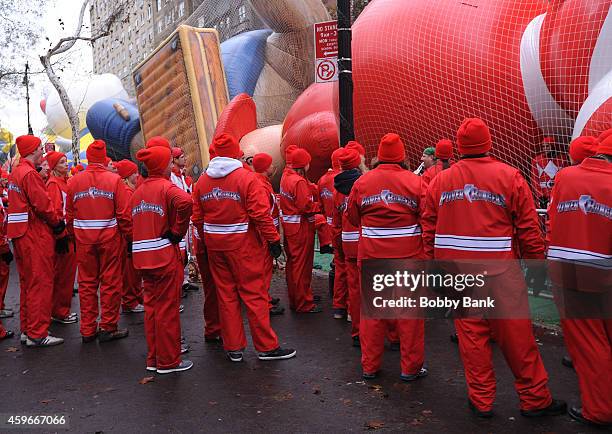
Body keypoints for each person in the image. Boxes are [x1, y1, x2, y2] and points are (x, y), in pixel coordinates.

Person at [422, 118, 566, 418]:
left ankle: (481, 400)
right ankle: (535, 399)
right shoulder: (509, 176)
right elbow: (528, 230)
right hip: (500, 276)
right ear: (488, 143)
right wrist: (536, 267)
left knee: (472, 339)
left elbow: (428, 229)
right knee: (518, 340)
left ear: (460, 148)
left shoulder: (439, 182)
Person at [192, 133, 296, 362]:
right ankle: (266, 347)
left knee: (226, 295)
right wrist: (273, 241)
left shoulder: (202, 181)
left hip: (215, 247)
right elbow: (260, 214)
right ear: (235, 154)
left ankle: (234, 347)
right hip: (243, 246)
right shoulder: (246, 179)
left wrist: (208, 238)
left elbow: (197, 217)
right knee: (254, 294)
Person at [347, 133, 427, 381]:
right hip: (408, 259)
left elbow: (352, 216)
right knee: (409, 315)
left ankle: (370, 366)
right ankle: (410, 368)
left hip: (372, 257)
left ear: (379, 156)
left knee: (373, 314)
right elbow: (427, 216)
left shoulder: (363, 182)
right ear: (402, 156)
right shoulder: (415, 182)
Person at [547, 132, 612, 427]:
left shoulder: (566, 176)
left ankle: (599, 410)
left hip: (569, 271)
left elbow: (551, 219)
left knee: (589, 344)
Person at [131, 144, 194, 374]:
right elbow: (187, 203)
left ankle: (154, 358)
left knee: (152, 308)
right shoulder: (166, 187)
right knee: (167, 309)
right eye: (169, 162)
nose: (171, 165)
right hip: (164, 256)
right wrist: (177, 231)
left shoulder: (138, 191)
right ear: (162, 165)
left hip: (142, 259)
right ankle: (169, 362)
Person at [66, 140, 132, 343]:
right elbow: (124, 215)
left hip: (83, 240)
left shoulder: (74, 181)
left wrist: (73, 235)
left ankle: (87, 329)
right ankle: (108, 326)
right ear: (104, 158)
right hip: (109, 240)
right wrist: (130, 238)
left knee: (86, 284)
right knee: (110, 283)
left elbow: (68, 215)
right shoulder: (114, 180)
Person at [8, 135, 65, 347]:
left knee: (28, 284)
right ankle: (38, 333)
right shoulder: (30, 174)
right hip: (34, 233)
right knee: (40, 282)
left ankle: (28, 329)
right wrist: (57, 225)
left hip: (20, 234)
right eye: (40, 148)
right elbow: (43, 205)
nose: (43, 152)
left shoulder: (17, 172)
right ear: (33, 150)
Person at [280, 146, 322, 313]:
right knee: (301, 266)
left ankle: (297, 297)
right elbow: (306, 206)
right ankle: (303, 302)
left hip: (291, 227)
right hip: (301, 227)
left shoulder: (286, 177)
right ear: (304, 164)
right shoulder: (298, 181)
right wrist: (320, 206)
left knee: (293, 265)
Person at [333, 148, 363, 344]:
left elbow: (335, 218)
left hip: (346, 239)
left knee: (353, 285)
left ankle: (355, 326)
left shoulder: (336, 189)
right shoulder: (362, 184)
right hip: (362, 239)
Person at [46, 151, 78, 324]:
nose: (66, 165)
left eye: (66, 162)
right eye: (61, 162)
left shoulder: (63, 182)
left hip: (68, 234)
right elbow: (56, 211)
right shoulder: (53, 184)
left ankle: (61, 310)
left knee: (66, 275)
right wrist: (61, 235)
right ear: (54, 167)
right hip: (64, 235)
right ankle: (60, 312)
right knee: (63, 276)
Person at [252, 152, 285, 316]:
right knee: (263, 272)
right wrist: (273, 239)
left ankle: (265, 298)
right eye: (271, 164)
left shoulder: (262, 182)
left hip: (265, 234)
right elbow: (263, 215)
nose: (273, 167)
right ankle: (264, 305)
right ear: (265, 168)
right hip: (264, 236)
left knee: (265, 271)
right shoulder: (260, 186)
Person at [114, 160, 144, 314]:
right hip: (128, 238)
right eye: (134, 173)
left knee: (135, 271)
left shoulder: (131, 190)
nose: (137, 175)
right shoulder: (126, 192)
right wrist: (131, 237)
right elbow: (126, 217)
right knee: (130, 272)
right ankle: (130, 301)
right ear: (126, 176)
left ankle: (136, 297)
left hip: (132, 235)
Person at [323, 149, 348, 319]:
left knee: (339, 269)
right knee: (353, 276)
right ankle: (351, 311)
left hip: (332, 228)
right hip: (350, 232)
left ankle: (338, 307)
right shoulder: (353, 183)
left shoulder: (322, 180)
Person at [170, 146, 198, 294]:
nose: (185, 158)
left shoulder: (181, 176)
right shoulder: (172, 176)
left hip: (186, 217)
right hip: (177, 218)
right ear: (174, 160)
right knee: (180, 251)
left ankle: (184, 280)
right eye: (181, 157)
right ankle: (179, 281)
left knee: (185, 249)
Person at [531, 136, 569, 209]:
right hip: (543, 196)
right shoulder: (536, 160)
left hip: (558, 194)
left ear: (553, 146)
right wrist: (540, 196)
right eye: (543, 146)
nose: (545, 149)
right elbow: (534, 180)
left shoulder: (562, 159)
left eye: (547, 146)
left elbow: (566, 178)